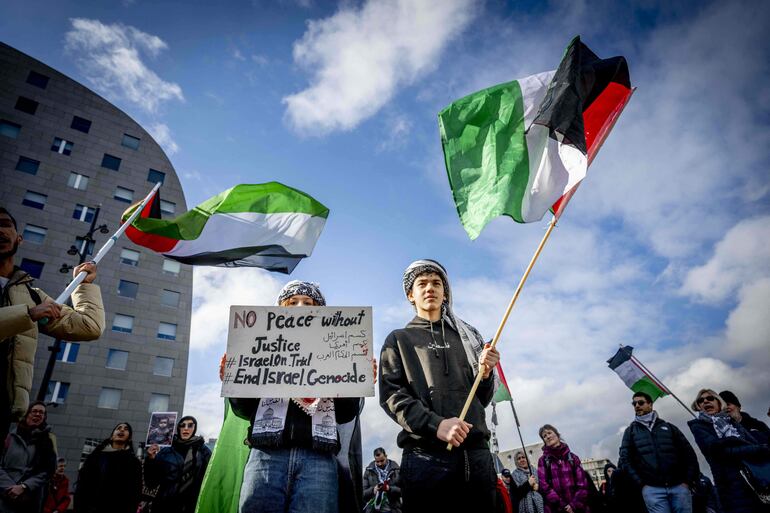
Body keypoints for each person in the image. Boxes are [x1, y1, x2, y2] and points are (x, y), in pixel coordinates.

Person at [379, 259, 501, 513]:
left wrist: (486, 373)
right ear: (410, 295)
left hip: (478, 458)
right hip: (426, 459)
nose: (429, 288)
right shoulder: (398, 339)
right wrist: (436, 425)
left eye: (436, 283)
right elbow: (392, 396)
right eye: (421, 284)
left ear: (445, 292)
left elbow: (483, 398)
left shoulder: (468, 339)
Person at [229, 281, 362, 513]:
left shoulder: (338, 348)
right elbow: (241, 409)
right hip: (266, 456)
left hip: (318, 459)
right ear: (279, 310)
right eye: (292, 302)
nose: (300, 306)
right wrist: (235, 379)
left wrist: (354, 379)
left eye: (308, 303)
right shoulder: (258, 346)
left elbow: (347, 413)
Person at [0, 207, 105, 439]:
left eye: (5, 224)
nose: (0, 230)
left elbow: (90, 327)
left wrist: (84, 286)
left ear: (19, 238)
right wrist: (27, 315)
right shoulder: (31, 306)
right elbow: (28, 314)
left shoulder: (32, 295)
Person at [687, 389, 770, 513]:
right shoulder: (698, 426)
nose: (705, 401)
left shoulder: (732, 422)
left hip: (755, 478)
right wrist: (753, 448)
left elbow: (751, 442)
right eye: (701, 400)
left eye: (710, 398)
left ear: (719, 403)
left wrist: (732, 443)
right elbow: (718, 451)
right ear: (699, 406)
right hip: (730, 484)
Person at [618, 391, 699, 513]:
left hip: (679, 486)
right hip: (652, 489)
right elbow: (625, 459)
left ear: (650, 404)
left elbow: (688, 454)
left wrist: (687, 481)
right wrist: (641, 484)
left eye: (641, 402)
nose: (637, 406)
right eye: (634, 404)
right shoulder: (630, 432)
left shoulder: (669, 427)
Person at [144, 416, 211, 513]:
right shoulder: (166, 451)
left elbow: (212, 477)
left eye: (190, 425)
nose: (186, 428)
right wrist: (150, 460)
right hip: (164, 506)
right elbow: (151, 483)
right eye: (182, 425)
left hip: (191, 507)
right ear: (178, 428)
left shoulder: (203, 451)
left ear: (194, 429)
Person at [0, 401, 56, 512]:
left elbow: (48, 470)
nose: (38, 414)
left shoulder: (47, 442)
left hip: (30, 499)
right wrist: (10, 487)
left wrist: (24, 486)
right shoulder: (10, 437)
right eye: (34, 411)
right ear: (27, 414)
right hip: (4, 495)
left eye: (41, 413)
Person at [74, 422, 142, 513]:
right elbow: (82, 485)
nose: (122, 430)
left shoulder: (134, 463)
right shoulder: (96, 457)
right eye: (119, 428)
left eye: (126, 429)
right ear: (111, 436)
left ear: (129, 438)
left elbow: (135, 493)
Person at [537, 424, 593, 513]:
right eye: (544, 436)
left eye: (549, 433)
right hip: (555, 509)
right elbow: (544, 487)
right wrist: (563, 505)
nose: (547, 436)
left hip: (578, 509)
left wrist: (573, 505)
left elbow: (583, 484)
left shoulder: (573, 458)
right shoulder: (543, 461)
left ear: (557, 435)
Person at [362, 447, 401, 513]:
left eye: (382, 460)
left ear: (386, 456)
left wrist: (389, 489)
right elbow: (363, 494)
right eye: (377, 461)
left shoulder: (396, 470)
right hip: (373, 510)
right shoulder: (368, 471)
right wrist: (373, 490)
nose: (380, 463)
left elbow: (403, 491)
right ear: (374, 459)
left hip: (393, 510)